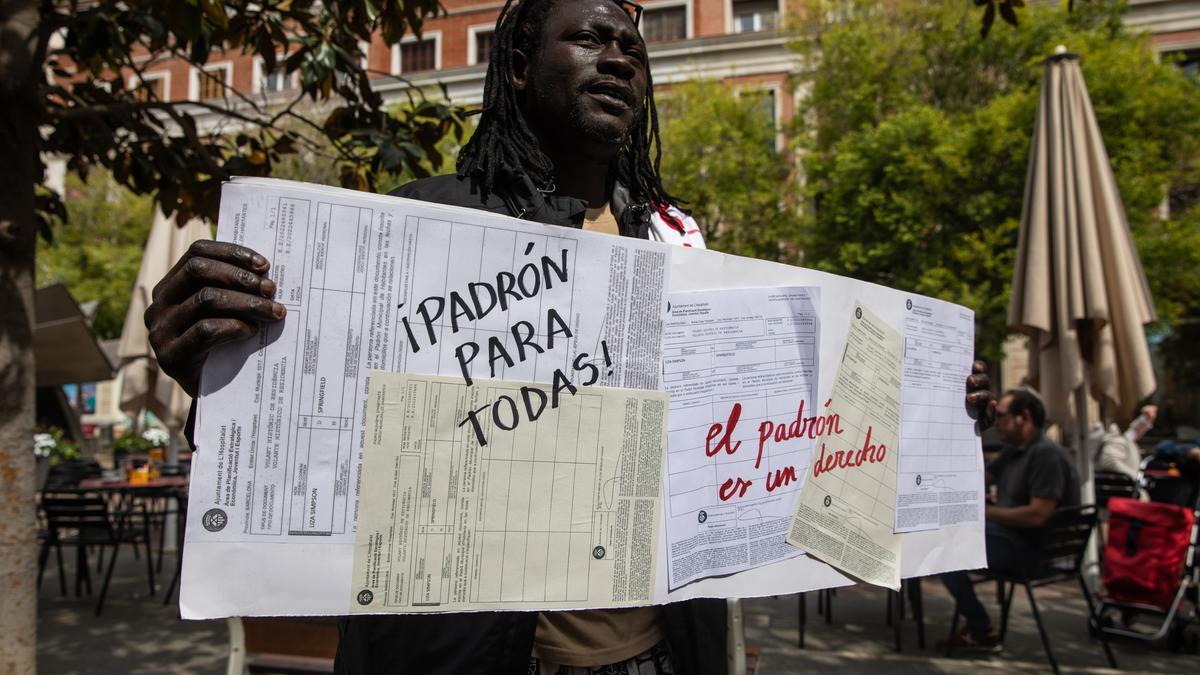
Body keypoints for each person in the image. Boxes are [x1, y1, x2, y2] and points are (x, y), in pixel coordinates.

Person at [144, 0, 996, 671]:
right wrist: (217, 370)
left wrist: (927, 409)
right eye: (590, 38)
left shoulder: (681, 251)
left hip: (660, 654)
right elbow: (316, 437)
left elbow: (783, 442)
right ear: (518, 66)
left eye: (634, 47)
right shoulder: (420, 228)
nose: (621, 56)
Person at [940, 389, 1079, 652]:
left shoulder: (1044, 455)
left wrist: (983, 512)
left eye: (1001, 416)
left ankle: (982, 629)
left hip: (1033, 553)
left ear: (1023, 417)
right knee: (945, 537)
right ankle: (980, 627)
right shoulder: (1015, 450)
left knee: (944, 552)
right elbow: (974, 480)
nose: (995, 421)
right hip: (1014, 540)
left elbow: (1038, 514)